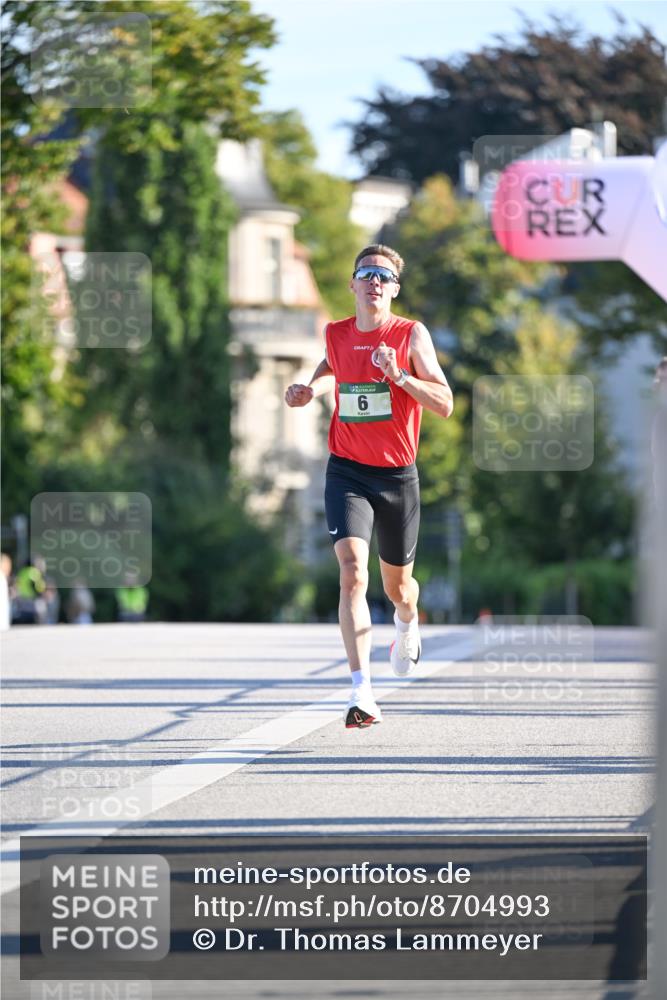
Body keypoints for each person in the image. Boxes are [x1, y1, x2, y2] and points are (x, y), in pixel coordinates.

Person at [285, 244, 453, 729]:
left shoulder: (410, 334)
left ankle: (407, 622)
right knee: (353, 574)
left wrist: (399, 376)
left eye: (384, 276)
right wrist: (309, 390)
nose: (375, 281)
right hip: (348, 471)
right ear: (353, 284)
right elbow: (331, 368)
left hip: (397, 476)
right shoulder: (335, 332)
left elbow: (444, 402)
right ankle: (362, 692)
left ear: (394, 289)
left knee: (399, 589)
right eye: (367, 273)